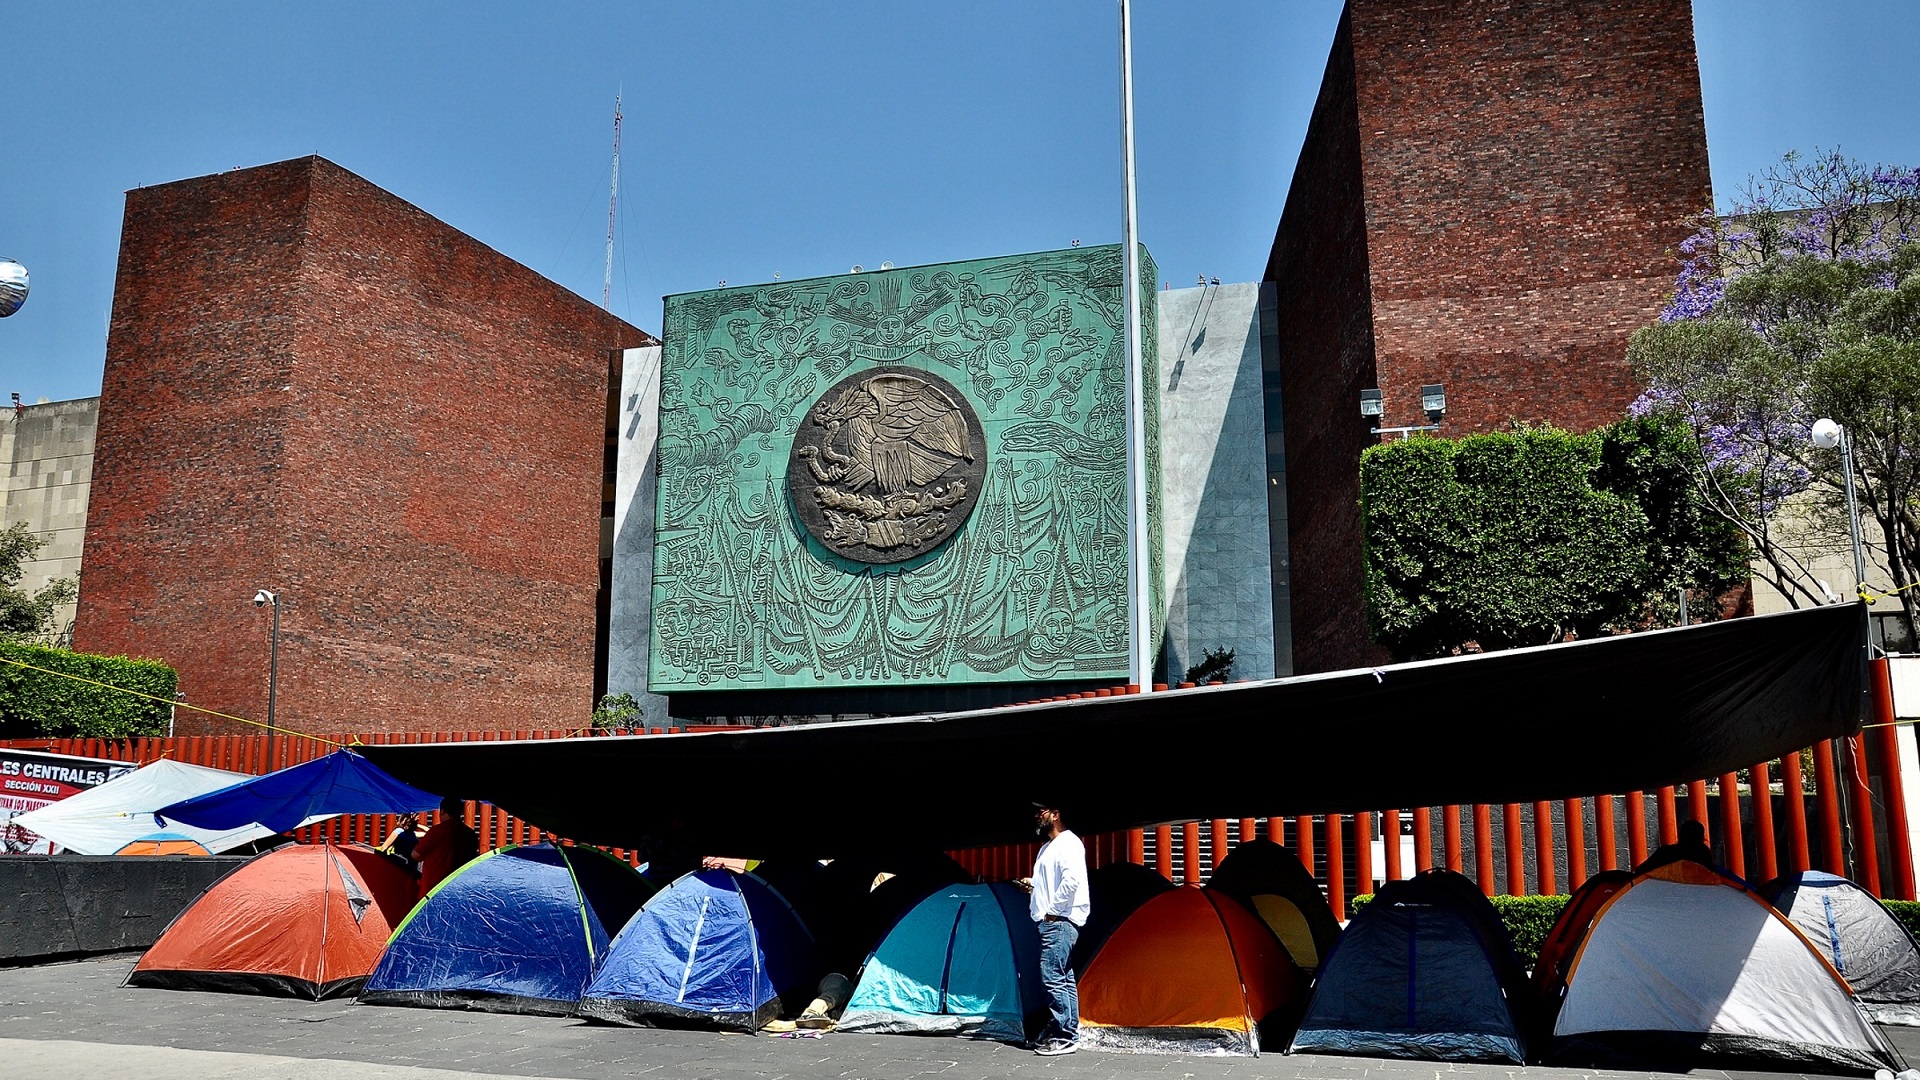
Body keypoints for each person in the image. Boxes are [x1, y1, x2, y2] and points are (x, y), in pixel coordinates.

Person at [1021, 800, 1088, 1056]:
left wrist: (1052, 910)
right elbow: (1052, 882)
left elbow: (1072, 881)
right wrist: (1032, 885)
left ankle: (1065, 1036)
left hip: (1058, 922)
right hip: (1051, 921)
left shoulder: (1069, 842)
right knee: (1064, 977)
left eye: (1042, 811)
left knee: (1052, 977)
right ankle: (1069, 1031)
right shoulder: (1046, 848)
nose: (1037, 816)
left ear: (1056, 814)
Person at [410, 796, 479, 898]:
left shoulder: (436, 831)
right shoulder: (470, 834)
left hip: (432, 891)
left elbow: (415, 855)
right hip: (459, 892)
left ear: (442, 811)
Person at [1635, 818, 1714, 874]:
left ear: (1679, 836)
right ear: (1702, 838)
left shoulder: (1664, 852)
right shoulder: (1703, 853)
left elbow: (1640, 871)